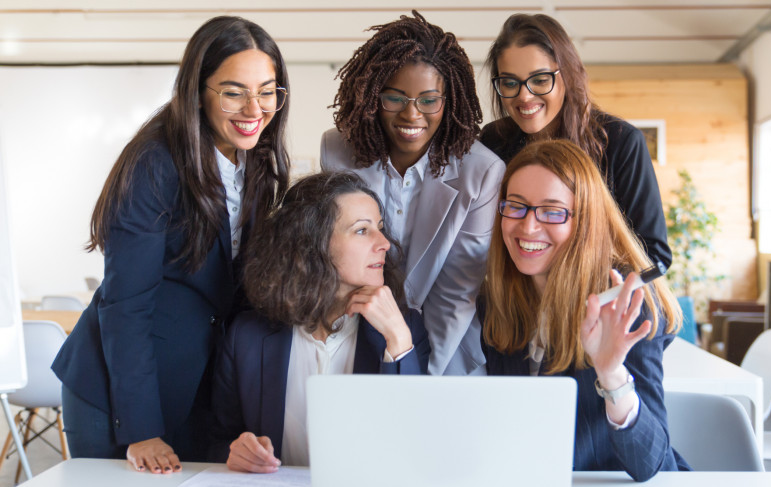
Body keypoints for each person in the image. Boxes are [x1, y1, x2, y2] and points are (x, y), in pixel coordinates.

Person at [51, 16, 290, 474]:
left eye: (267, 90)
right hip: (118, 395)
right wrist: (141, 429)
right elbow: (125, 306)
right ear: (199, 92)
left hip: (194, 385)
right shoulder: (155, 163)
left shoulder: (254, 164)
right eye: (234, 91)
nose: (254, 107)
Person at [480, 139, 689, 481]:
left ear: (586, 221)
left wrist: (612, 375)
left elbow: (652, 466)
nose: (528, 227)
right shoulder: (495, 300)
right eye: (516, 206)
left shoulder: (627, 304)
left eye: (552, 212)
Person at [321, 11, 505, 376]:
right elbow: (332, 258)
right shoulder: (337, 150)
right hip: (354, 329)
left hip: (445, 347)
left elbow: (456, 292)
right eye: (395, 98)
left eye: (428, 100)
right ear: (374, 94)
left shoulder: (482, 172)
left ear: (448, 101)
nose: (411, 114)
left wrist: (417, 373)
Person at [208, 172, 430, 470]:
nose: (385, 243)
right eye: (362, 231)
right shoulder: (246, 336)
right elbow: (217, 440)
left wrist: (399, 342)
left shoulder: (405, 330)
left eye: (380, 228)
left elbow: (413, 452)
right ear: (312, 243)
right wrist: (234, 453)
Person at [480, 13, 671, 274]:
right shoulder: (493, 143)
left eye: (540, 80)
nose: (524, 95)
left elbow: (653, 254)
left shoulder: (620, 142)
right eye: (510, 82)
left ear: (567, 75)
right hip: (516, 305)